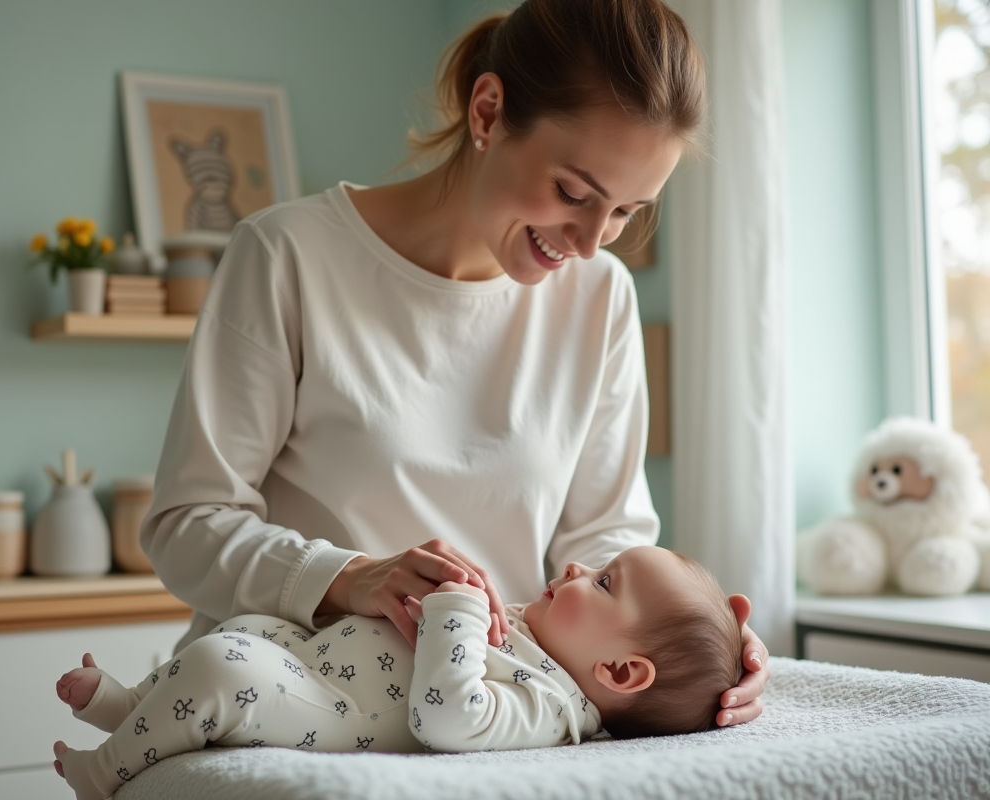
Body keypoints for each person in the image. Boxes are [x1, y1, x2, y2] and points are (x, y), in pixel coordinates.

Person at [139, 0, 770, 735]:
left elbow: (604, 544)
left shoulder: (601, 299)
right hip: (273, 706)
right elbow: (187, 524)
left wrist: (699, 650)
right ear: (489, 111)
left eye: (628, 211)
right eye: (574, 192)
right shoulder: (289, 256)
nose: (594, 241)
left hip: (483, 730)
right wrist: (346, 578)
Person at [52, 546, 745, 798]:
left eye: (600, 582)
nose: (574, 567)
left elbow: (446, 717)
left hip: (328, 706)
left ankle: (106, 769)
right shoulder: (541, 636)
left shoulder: (553, 706)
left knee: (220, 667)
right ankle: (129, 705)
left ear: (621, 672)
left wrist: (456, 611)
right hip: (312, 650)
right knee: (248, 630)